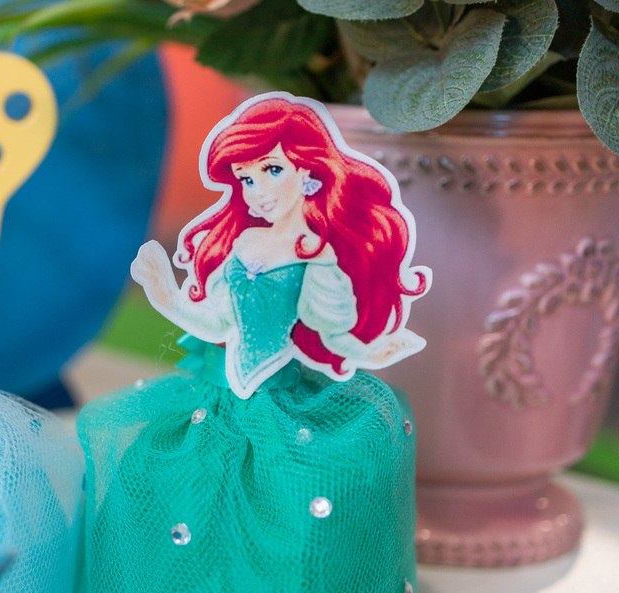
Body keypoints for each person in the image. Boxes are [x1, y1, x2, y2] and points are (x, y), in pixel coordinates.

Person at [131, 92, 430, 398]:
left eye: (273, 170)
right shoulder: (244, 241)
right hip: (222, 391)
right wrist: (164, 293)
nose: (258, 191)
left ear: (306, 169)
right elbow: (219, 323)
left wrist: (374, 351)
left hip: (280, 396)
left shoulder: (315, 253)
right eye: (246, 179)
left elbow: (334, 335)